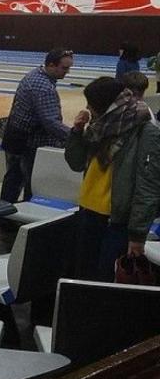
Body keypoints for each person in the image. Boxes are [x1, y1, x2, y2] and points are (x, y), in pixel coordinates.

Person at [64, 77, 160, 283]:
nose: (88, 107)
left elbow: (148, 184)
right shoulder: (101, 125)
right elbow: (76, 163)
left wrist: (137, 234)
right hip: (88, 212)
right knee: (84, 275)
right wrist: (76, 133)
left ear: (107, 104)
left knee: (104, 280)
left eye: (91, 103)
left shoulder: (145, 130)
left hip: (116, 221)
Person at [0, 48, 74, 203]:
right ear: (52, 65)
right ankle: (26, 221)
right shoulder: (44, 88)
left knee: (12, 180)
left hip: (14, 136)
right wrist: (75, 136)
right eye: (65, 68)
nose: (67, 72)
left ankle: (3, 217)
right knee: (32, 183)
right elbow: (51, 122)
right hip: (29, 144)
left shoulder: (33, 74)